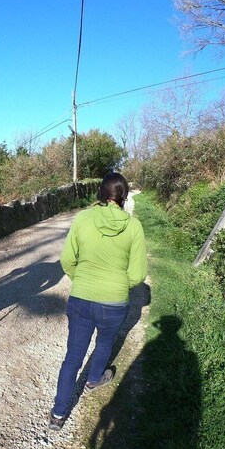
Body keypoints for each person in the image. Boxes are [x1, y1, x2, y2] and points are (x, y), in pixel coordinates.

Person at [49, 172, 146, 430]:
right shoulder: (133, 226)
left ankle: (58, 414)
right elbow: (137, 275)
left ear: (101, 193)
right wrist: (116, 286)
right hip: (114, 302)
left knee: (72, 357)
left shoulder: (83, 218)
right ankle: (93, 380)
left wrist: (80, 279)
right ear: (123, 196)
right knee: (104, 343)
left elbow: (67, 260)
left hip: (81, 297)